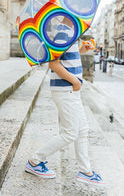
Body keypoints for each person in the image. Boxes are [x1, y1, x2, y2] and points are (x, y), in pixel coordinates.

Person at [25, 17, 105, 186]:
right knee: (70, 133)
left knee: (82, 129)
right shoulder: (62, 33)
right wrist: (75, 81)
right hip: (66, 89)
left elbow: (70, 55)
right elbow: (53, 63)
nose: (85, 19)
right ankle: (34, 161)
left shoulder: (71, 34)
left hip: (70, 90)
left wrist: (83, 47)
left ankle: (86, 171)